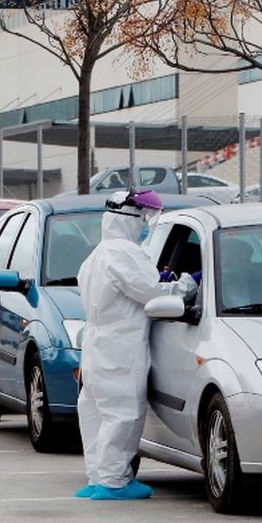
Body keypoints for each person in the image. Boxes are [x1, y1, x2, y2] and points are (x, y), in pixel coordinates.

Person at [74, 190, 196, 501]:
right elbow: (155, 293)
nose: (144, 224)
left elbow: (134, 287)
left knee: (95, 413)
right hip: (121, 348)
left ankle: (98, 478)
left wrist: (162, 278)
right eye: (142, 217)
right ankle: (114, 482)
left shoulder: (97, 255)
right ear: (129, 218)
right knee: (123, 414)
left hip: (97, 345)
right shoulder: (124, 253)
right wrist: (188, 283)